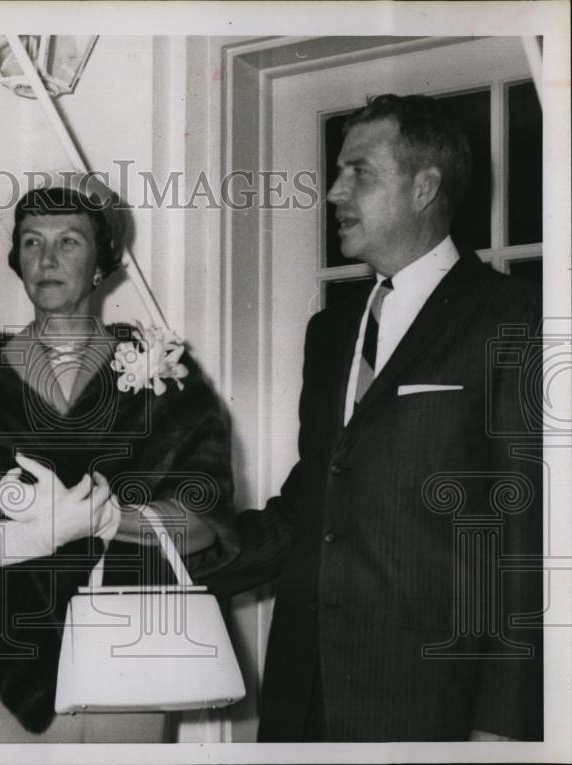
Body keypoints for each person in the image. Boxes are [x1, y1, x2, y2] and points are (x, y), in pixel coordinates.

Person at [210, 94, 543, 741]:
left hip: (431, 712)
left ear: (425, 186)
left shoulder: (514, 317)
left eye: (358, 171)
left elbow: (526, 537)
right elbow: (311, 510)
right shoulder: (331, 332)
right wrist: (179, 550)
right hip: (303, 703)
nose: (333, 192)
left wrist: (504, 726)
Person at [0, 176, 242, 742]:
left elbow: (206, 521)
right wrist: (10, 540)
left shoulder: (162, 373)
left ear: (103, 263)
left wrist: (111, 519)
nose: (47, 259)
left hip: (131, 645)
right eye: (32, 241)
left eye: (69, 242)